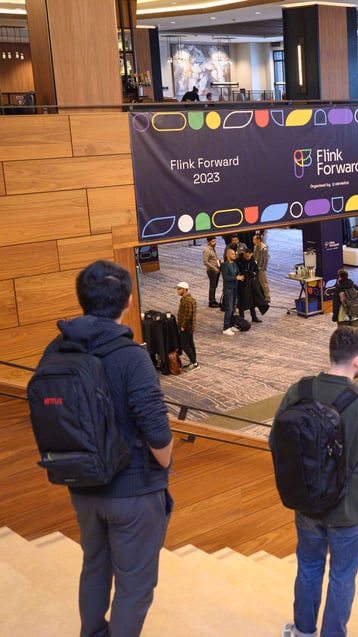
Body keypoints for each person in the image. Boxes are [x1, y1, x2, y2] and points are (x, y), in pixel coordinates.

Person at [48, 260, 173, 636]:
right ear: (129, 301)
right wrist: (165, 463)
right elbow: (156, 427)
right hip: (133, 490)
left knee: (95, 565)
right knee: (134, 585)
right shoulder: (131, 356)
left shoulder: (58, 347)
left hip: (80, 483)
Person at [274, 326, 358, 637]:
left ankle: (303, 631)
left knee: (309, 568)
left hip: (306, 503)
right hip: (348, 510)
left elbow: (276, 440)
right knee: (342, 576)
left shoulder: (298, 391)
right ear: (357, 360)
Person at [176, 281, 198, 371]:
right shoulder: (187, 299)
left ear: (184, 290)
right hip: (189, 327)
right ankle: (193, 362)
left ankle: (195, 363)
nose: (177, 291)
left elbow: (188, 315)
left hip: (186, 327)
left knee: (185, 344)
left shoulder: (187, 300)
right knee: (190, 343)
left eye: (179, 289)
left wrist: (183, 326)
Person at [236, 249, 263, 324]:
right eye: (246, 256)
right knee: (241, 301)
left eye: (249, 256)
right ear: (244, 254)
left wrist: (253, 273)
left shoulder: (252, 261)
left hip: (251, 283)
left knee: (252, 300)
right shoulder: (239, 261)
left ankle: (254, 316)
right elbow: (238, 271)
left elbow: (256, 270)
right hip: (242, 284)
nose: (248, 258)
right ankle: (242, 318)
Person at [220, 247, 241, 335]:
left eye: (235, 254)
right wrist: (235, 278)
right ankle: (226, 327)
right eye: (232, 254)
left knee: (233, 307)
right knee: (229, 308)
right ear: (228, 255)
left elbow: (238, 273)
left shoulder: (234, 264)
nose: (234, 255)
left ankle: (231, 324)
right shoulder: (225, 265)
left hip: (234, 287)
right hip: (228, 289)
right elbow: (225, 277)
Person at [202, 236, 220, 308]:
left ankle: (213, 300)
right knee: (212, 286)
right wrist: (214, 268)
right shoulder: (206, 250)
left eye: (215, 241)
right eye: (213, 241)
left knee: (214, 286)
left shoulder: (213, 249)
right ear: (209, 242)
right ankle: (211, 302)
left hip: (216, 269)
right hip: (211, 271)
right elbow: (205, 262)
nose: (214, 243)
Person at [252, 234, 271, 303]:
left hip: (261, 268)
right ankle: (260, 296)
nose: (253, 241)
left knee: (263, 282)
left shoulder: (264, 248)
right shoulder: (255, 247)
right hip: (256, 267)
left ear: (258, 240)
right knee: (257, 282)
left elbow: (265, 260)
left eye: (254, 239)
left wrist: (262, 268)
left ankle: (267, 296)